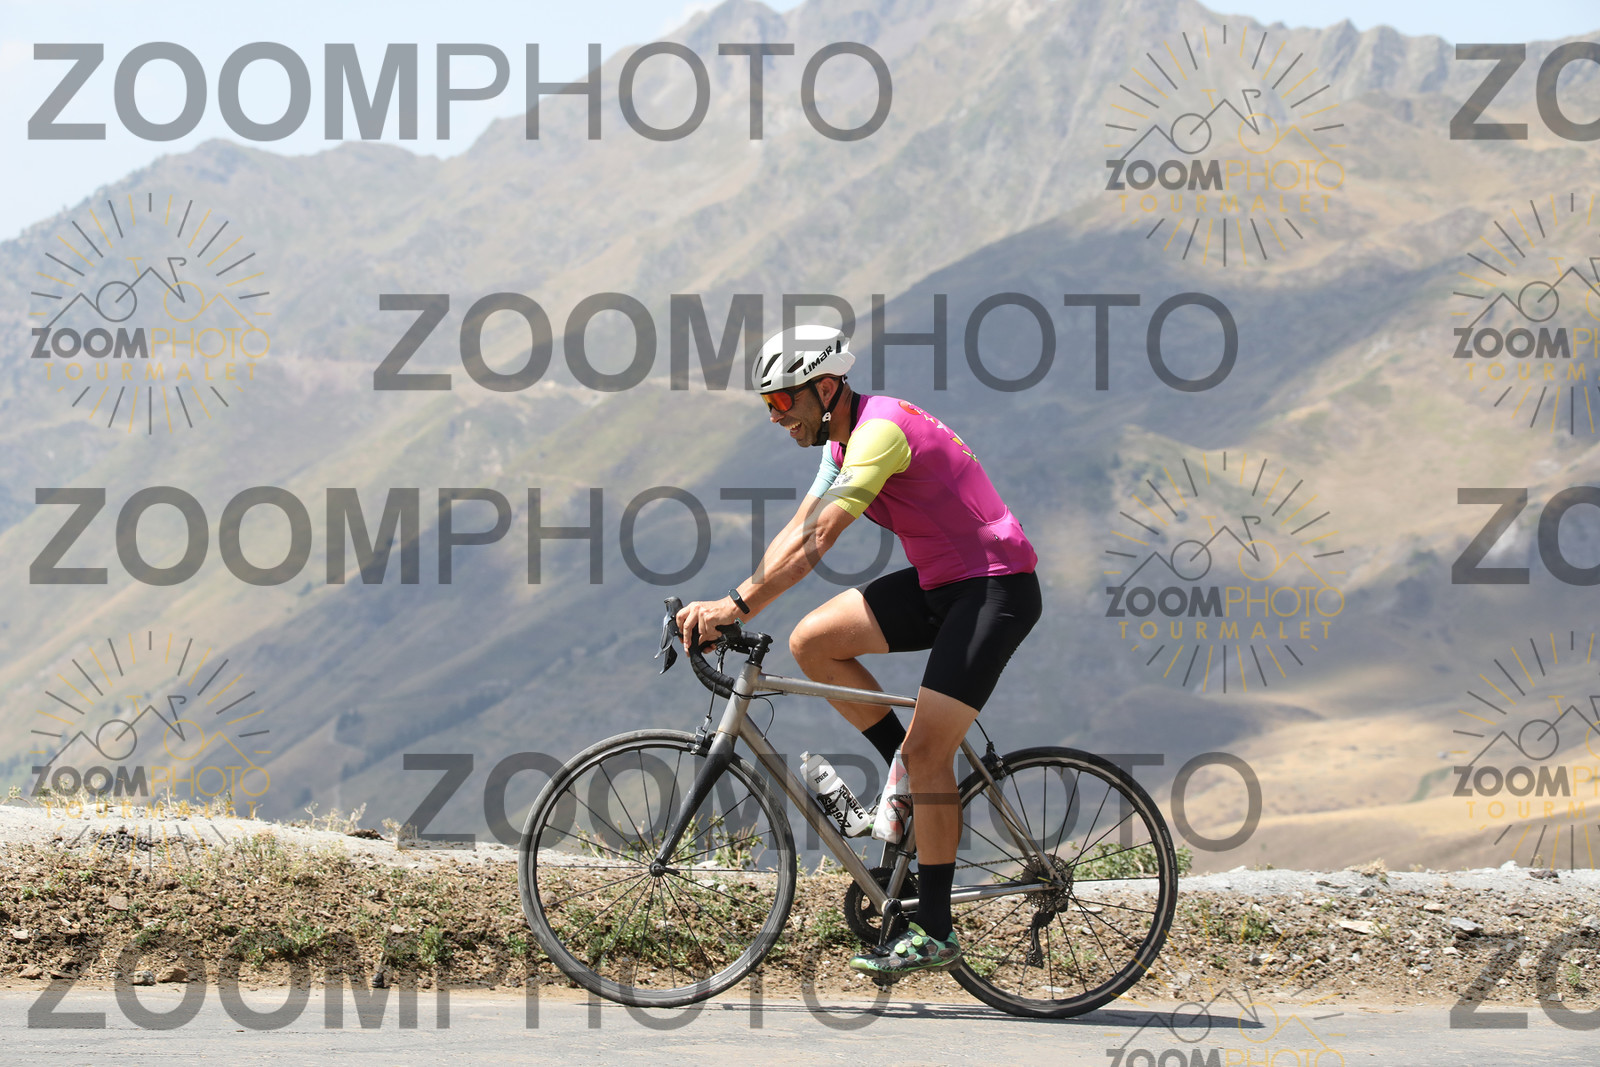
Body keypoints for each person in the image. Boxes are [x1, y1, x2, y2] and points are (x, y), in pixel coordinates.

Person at [675, 324, 1042, 977]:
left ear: (824, 388)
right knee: (813, 642)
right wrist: (732, 599)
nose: (774, 417)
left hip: (995, 589)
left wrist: (736, 607)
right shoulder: (840, 444)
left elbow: (822, 541)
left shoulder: (879, 434)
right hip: (942, 583)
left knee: (929, 753)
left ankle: (935, 929)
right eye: (767, 405)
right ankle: (905, 786)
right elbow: (796, 531)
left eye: (781, 401)